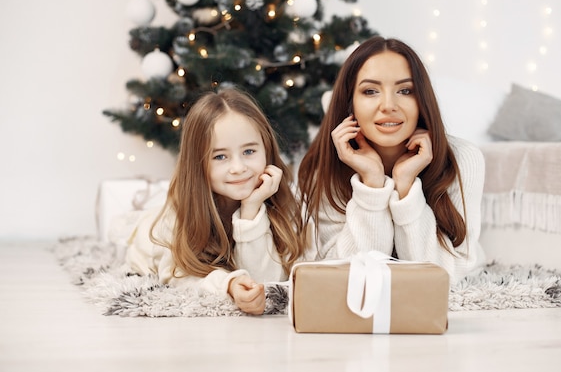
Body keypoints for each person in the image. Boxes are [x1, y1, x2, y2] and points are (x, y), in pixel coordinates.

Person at [298, 36, 486, 284]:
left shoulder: (464, 159)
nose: (388, 105)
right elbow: (342, 275)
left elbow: (448, 275)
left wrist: (406, 187)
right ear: (349, 103)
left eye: (405, 91)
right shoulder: (323, 167)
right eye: (370, 91)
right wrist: (372, 184)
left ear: (422, 101)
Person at [120, 88, 307, 315]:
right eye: (220, 156)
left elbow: (264, 284)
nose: (238, 168)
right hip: (149, 245)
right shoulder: (175, 219)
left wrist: (251, 210)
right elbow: (180, 278)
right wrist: (227, 284)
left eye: (249, 151)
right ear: (198, 164)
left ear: (267, 150)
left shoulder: (283, 207)